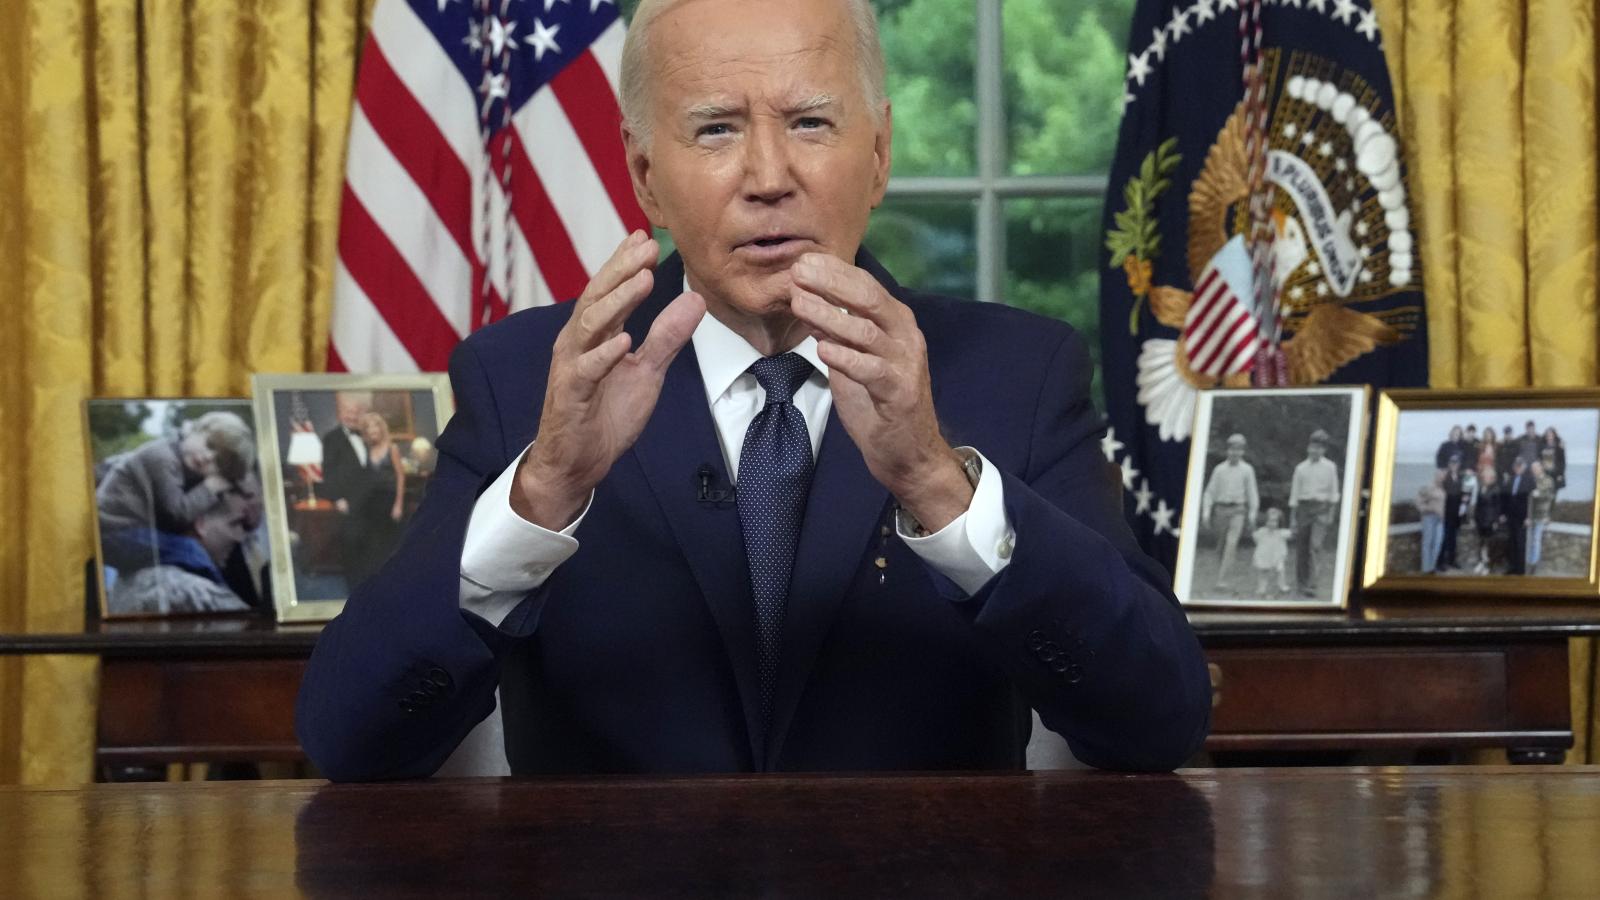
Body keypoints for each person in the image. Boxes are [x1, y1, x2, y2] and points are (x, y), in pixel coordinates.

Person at [294, 0, 1210, 781]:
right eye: (717, 128)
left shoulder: (1019, 373)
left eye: (811, 122)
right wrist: (544, 493)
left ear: (880, 153)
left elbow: (1157, 723)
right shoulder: (527, 380)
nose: (770, 179)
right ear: (647, 176)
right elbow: (351, 740)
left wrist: (938, 483)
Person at [96, 411, 256, 577]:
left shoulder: (181, 463)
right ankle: (220, 597)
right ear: (194, 430)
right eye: (210, 445)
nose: (208, 457)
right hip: (110, 530)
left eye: (218, 462)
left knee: (186, 550)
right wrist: (211, 486)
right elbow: (176, 514)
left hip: (127, 530)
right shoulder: (162, 457)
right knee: (190, 550)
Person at [342, 411, 409, 588]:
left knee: (389, 542)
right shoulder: (368, 450)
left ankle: (391, 581)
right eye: (368, 428)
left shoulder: (391, 448)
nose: (373, 431)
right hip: (372, 503)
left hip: (389, 500)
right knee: (372, 542)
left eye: (375, 427)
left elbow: (400, 477)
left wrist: (398, 504)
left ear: (381, 429)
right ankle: (374, 580)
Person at [1200, 433, 1259, 592]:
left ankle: (1222, 580)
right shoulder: (1219, 470)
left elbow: (1252, 493)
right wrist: (1206, 512)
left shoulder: (1247, 470)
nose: (1235, 453)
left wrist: (1252, 513)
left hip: (1238, 510)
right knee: (1221, 546)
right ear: (1228, 450)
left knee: (1231, 545)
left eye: (1239, 450)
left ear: (1243, 452)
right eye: (1232, 449)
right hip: (1221, 510)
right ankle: (1221, 573)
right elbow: (1209, 492)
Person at [1289, 429, 1340, 597]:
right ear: (1308, 447)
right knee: (1302, 548)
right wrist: (1293, 518)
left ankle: (1312, 585)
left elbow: (1334, 493)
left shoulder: (1330, 467)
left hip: (1322, 509)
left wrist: (1331, 513)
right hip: (1304, 509)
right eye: (1313, 447)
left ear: (1324, 449)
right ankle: (1301, 583)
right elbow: (1295, 495)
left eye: (1319, 447)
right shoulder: (1300, 468)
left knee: (1315, 546)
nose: (1315, 451)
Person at [1502, 457, 1534, 575]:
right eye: (1516, 465)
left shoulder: (1529, 480)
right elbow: (1505, 498)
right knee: (1512, 543)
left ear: (1524, 467)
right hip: (1511, 517)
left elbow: (1531, 501)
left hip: (1523, 518)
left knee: (1520, 544)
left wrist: (1529, 517)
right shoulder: (1510, 479)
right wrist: (1503, 513)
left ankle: (1520, 570)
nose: (1518, 468)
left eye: (1520, 465)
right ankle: (1512, 567)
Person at [1251, 508, 1292, 596]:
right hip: (1265, 556)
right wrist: (1252, 526)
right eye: (1269, 521)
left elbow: (1291, 534)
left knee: (1280, 571)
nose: (1271, 524)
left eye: (1274, 521)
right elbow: (1255, 538)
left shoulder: (1281, 533)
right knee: (1263, 572)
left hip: (1278, 556)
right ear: (1266, 521)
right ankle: (1262, 588)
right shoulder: (1262, 531)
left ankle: (1282, 586)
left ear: (1279, 522)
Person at [1471, 465, 1503, 574]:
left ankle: (1488, 566)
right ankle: (1481, 562)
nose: (1484, 477)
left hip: (1490, 521)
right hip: (1481, 520)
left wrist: (1495, 521)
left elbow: (1498, 507)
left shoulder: (1496, 489)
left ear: (1492, 477)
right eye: (1483, 475)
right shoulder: (1481, 488)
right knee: (1481, 542)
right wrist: (1474, 518)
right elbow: (1478, 505)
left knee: (1490, 544)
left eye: (1486, 475)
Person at [1527, 460, 1556, 575]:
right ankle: (1528, 561)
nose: (1534, 471)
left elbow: (1550, 495)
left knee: (1536, 539)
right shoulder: (1530, 480)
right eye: (1532, 469)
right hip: (1530, 514)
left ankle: (1533, 564)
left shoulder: (1548, 480)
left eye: (1535, 468)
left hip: (1541, 514)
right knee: (1529, 539)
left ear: (1541, 468)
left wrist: (1539, 493)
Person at [1415, 470, 1446, 575]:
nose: (1441, 478)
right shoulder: (1428, 488)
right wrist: (1428, 508)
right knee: (1427, 543)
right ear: (1435, 476)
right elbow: (1418, 502)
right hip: (1429, 518)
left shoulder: (1444, 488)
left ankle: (1432, 567)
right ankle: (1426, 569)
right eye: (1439, 476)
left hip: (1440, 520)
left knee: (1437, 543)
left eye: (1443, 477)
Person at [1439, 454, 1465, 571]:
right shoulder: (1445, 477)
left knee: (1453, 539)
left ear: (1459, 465)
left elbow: (1462, 494)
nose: (1454, 465)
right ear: (1449, 464)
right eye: (1452, 463)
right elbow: (1443, 494)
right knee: (1444, 538)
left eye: (1456, 463)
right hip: (1446, 512)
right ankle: (1440, 562)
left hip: (1456, 513)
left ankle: (1452, 560)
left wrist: (1463, 507)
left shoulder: (1460, 477)